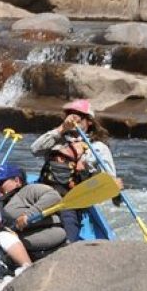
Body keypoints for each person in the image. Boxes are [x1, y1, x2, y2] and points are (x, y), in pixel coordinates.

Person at [30, 98, 118, 242]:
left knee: (67, 218)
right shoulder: (57, 138)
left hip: (71, 198)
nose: (73, 118)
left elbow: (109, 178)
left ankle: (69, 245)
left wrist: (88, 166)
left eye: (78, 115)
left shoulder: (97, 147)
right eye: (70, 114)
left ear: (89, 121)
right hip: (44, 190)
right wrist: (61, 129)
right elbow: (34, 149)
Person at [0, 164, 69, 262]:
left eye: (0, 182)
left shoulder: (28, 190)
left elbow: (54, 196)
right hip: (15, 240)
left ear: (17, 181)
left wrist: (28, 215)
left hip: (47, 233)